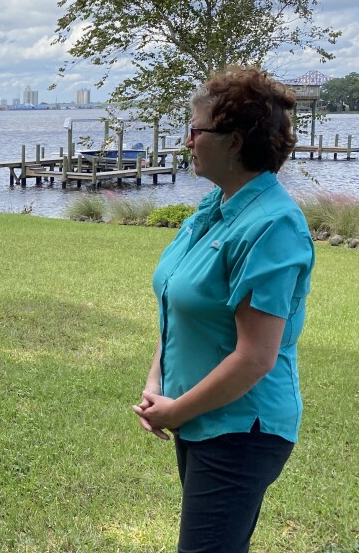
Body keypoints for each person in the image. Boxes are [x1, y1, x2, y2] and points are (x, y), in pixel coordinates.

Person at [132, 66, 315, 551]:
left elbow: (256, 357)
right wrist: (158, 387)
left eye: (196, 129)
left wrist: (176, 411)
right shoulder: (212, 209)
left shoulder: (273, 226)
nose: (186, 140)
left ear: (234, 141)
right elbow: (179, 305)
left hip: (242, 429)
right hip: (200, 416)